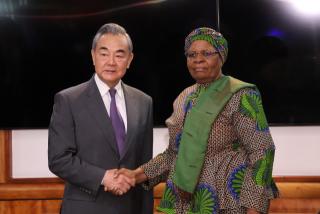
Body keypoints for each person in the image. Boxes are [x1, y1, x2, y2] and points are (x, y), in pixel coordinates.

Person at [117, 27, 278, 213]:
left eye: (206, 53)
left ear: (221, 57)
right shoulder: (184, 98)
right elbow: (174, 155)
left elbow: (262, 151)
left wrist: (253, 209)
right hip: (185, 201)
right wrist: (134, 175)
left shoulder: (241, 95)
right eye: (191, 54)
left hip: (226, 201)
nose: (198, 59)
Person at [48, 23, 153, 214]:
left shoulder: (143, 102)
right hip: (85, 208)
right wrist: (103, 177)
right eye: (104, 53)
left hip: (130, 208)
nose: (111, 62)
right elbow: (59, 159)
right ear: (93, 56)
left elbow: (144, 164)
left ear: (129, 60)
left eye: (119, 55)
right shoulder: (68, 100)